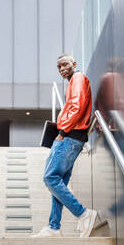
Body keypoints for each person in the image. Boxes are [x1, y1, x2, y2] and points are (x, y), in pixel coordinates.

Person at [31, 53, 97, 238]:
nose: (62, 69)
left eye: (65, 64)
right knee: (58, 183)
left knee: (50, 178)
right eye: (59, 67)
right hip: (72, 136)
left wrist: (61, 131)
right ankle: (54, 226)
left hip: (68, 137)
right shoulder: (74, 81)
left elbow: (76, 106)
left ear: (73, 64)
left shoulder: (77, 78)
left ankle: (84, 214)